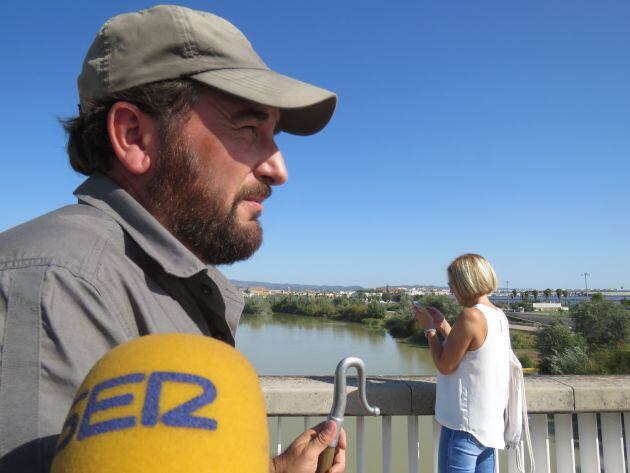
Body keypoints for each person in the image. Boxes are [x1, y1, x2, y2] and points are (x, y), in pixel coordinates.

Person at [0, 5, 344, 473]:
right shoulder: (58, 288)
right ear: (134, 135)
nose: (278, 169)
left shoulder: (155, 280)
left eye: (274, 134)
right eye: (248, 128)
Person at [413, 254, 510, 473]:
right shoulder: (498, 315)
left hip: (463, 427)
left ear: (465, 282)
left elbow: (445, 365)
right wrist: (444, 325)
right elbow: (471, 352)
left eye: (452, 284)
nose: (451, 290)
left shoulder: (470, 316)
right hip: (488, 428)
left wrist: (429, 330)